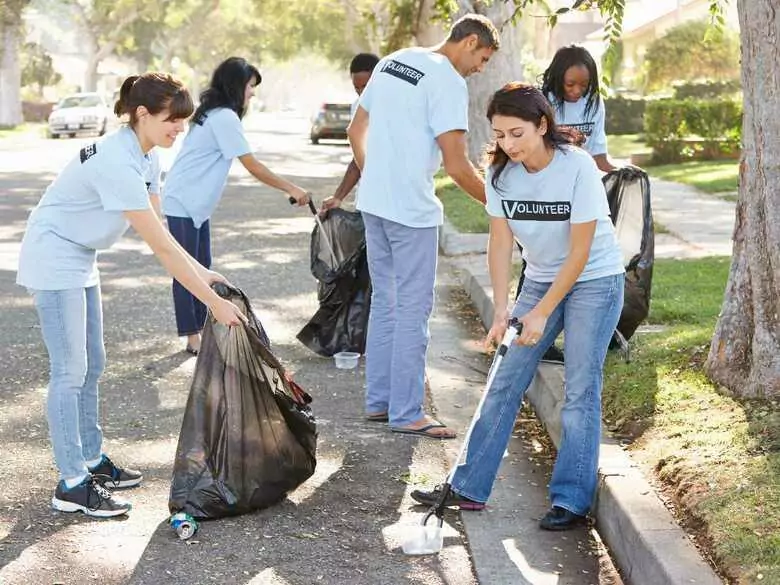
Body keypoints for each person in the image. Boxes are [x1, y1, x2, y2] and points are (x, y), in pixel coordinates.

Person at [16, 72, 247, 518]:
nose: (179, 128)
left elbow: (163, 233)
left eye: (183, 120)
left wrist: (204, 273)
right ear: (142, 114)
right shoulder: (116, 161)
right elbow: (159, 248)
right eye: (172, 120)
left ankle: (90, 459)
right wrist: (211, 304)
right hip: (54, 255)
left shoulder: (146, 156)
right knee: (70, 370)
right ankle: (71, 483)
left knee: (94, 362)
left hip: (81, 255)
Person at [411, 83, 625, 530]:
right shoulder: (500, 174)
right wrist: (504, 307)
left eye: (516, 133)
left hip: (595, 281)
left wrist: (543, 311)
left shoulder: (577, 168)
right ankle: (467, 487)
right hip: (541, 278)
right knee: (503, 381)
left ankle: (571, 499)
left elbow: (581, 252)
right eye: (499, 134)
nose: (507, 143)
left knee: (581, 390)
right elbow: (501, 240)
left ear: (542, 125)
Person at [347, 14, 500, 438]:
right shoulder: (448, 81)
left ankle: (381, 403)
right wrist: (503, 205)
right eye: (483, 58)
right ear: (469, 42)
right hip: (411, 212)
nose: (480, 68)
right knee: (413, 310)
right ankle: (408, 412)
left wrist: (375, 174)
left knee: (387, 303)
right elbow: (457, 165)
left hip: (374, 205)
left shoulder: (394, 60)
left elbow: (354, 128)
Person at [162, 57, 310, 355]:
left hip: (192, 202)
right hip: (183, 201)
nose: (252, 94)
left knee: (202, 268)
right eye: (250, 86)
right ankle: (192, 337)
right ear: (236, 86)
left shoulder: (214, 113)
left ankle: (202, 331)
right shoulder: (224, 117)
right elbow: (251, 165)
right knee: (187, 270)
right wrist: (291, 187)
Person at [319, 52, 380, 215]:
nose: (361, 93)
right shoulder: (358, 106)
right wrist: (338, 197)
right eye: (356, 87)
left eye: (365, 87)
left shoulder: (395, 108)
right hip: (368, 201)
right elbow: (359, 158)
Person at [541, 45, 616, 172]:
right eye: (570, 84)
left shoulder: (594, 103)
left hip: (583, 175)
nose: (577, 91)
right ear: (558, 79)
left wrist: (623, 172)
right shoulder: (542, 101)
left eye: (584, 85)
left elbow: (599, 157)